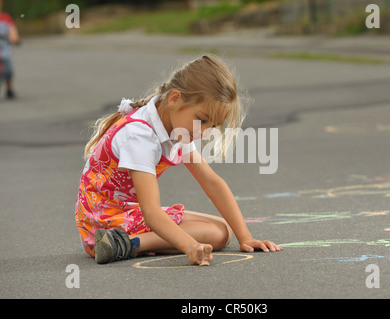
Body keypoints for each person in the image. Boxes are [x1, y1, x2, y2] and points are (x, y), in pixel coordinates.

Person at [75, 55, 282, 265]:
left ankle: (126, 242)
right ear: (174, 99)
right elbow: (151, 212)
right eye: (201, 120)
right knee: (214, 233)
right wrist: (189, 246)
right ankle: (126, 244)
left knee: (224, 231)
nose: (204, 132)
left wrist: (245, 237)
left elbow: (211, 182)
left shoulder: (177, 127)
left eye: (212, 125)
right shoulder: (139, 136)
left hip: (124, 211)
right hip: (102, 222)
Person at [0, 0, 19, 99]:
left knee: (8, 71)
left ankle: (9, 89)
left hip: (4, 51)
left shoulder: (6, 18)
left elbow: (12, 29)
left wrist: (14, 38)